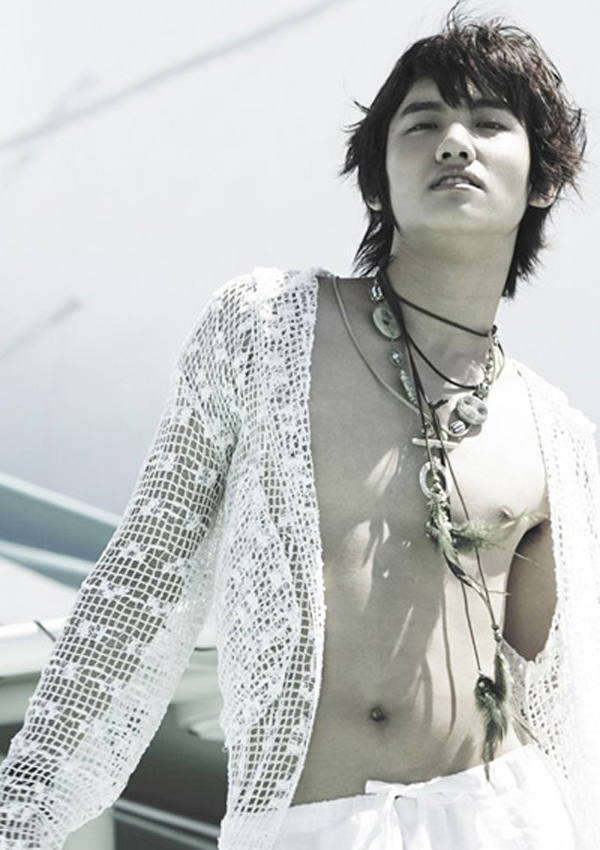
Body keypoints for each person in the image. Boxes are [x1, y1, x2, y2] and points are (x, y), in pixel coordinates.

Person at [1, 7, 600, 850]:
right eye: (423, 123)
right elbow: (138, 588)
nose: (454, 144)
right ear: (376, 179)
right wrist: (23, 818)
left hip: (505, 818)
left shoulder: (554, 435)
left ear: (542, 179)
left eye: (489, 123)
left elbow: (563, 686)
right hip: (310, 824)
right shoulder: (266, 330)